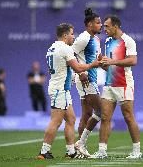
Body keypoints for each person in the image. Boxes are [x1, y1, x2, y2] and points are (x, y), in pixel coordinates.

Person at [37, 23, 100, 160]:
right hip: (59, 90)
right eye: (72, 33)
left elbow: (62, 69)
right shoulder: (65, 48)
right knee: (56, 121)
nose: (73, 36)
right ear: (65, 35)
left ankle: (71, 152)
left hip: (62, 89)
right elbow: (77, 67)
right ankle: (44, 152)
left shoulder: (52, 48)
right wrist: (92, 65)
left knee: (71, 119)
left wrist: (78, 75)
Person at [90, 15, 142, 159]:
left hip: (124, 84)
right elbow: (110, 65)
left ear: (116, 26)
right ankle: (102, 152)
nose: (104, 28)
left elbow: (133, 60)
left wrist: (112, 61)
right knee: (105, 117)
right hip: (109, 84)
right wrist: (103, 64)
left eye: (107, 26)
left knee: (128, 117)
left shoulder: (128, 41)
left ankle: (137, 151)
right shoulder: (107, 41)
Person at [72, 8, 103, 157]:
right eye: (98, 23)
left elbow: (94, 58)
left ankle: (79, 151)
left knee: (86, 114)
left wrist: (103, 62)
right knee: (101, 111)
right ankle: (80, 143)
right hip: (85, 79)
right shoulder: (83, 37)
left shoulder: (96, 39)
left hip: (92, 77)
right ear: (90, 24)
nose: (101, 25)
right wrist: (81, 72)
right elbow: (70, 55)